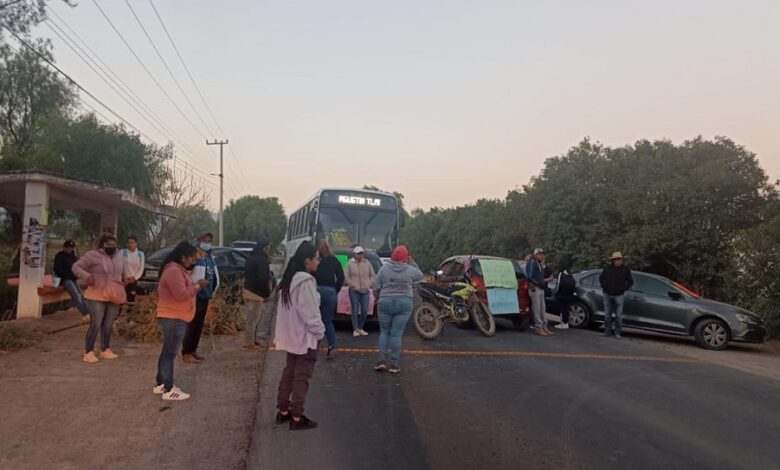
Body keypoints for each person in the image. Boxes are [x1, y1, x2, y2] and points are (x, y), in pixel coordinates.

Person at [273, 241, 325, 431]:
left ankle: (283, 410)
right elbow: (310, 313)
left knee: (289, 372)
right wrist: (320, 332)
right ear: (307, 261)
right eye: (317, 259)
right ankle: (297, 416)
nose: (318, 262)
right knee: (301, 376)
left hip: (291, 335)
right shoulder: (306, 282)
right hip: (305, 337)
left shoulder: (289, 280)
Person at [154, 242, 209, 401]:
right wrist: (198, 286)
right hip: (173, 317)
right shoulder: (173, 271)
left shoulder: (177, 270)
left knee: (166, 352)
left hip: (175, 315)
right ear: (182, 257)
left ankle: (160, 384)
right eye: (191, 259)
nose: (193, 262)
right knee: (170, 354)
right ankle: (169, 389)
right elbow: (181, 295)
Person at [72, 233, 127, 363]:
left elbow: (122, 271)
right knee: (96, 324)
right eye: (108, 245)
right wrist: (87, 277)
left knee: (108, 325)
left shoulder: (119, 257)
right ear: (102, 244)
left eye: (114, 245)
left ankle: (105, 349)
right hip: (96, 295)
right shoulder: (93, 255)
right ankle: (88, 352)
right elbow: (76, 267)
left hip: (113, 295)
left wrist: (126, 279)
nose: (111, 247)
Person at [372, 245, 423, 373]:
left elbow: (376, 287)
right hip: (404, 303)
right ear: (406, 258)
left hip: (385, 302)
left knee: (384, 332)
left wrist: (378, 298)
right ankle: (394, 364)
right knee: (396, 334)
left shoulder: (384, 268)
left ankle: (381, 361)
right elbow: (420, 275)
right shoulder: (410, 269)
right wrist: (411, 260)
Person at [182, 231, 220, 363]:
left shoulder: (208, 256)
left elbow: (213, 274)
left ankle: (193, 350)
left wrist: (213, 290)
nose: (207, 243)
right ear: (199, 241)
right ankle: (186, 352)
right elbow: (188, 275)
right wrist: (194, 286)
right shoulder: (194, 256)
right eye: (205, 240)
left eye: (209, 240)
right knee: (192, 325)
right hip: (195, 295)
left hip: (206, 295)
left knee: (198, 325)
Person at [313, 239, 344, 359]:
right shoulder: (334, 260)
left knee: (314, 319)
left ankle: (313, 347)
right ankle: (332, 346)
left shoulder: (315, 260)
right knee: (328, 321)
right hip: (330, 292)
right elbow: (341, 277)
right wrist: (335, 290)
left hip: (316, 291)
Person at [242, 237, 272, 351]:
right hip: (256, 292)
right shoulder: (262, 260)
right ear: (265, 247)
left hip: (248, 289)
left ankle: (252, 340)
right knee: (253, 318)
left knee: (253, 317)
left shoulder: (251, 257)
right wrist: (266, 293)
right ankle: (249, 343)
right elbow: (263, 278)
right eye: (269, 247)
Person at [599, 251, 634, 339]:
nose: (619, 261)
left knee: (618, 315)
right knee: (607, 314)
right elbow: (601, 278)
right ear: (613, 260)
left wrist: (623, 288)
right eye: (617, 260)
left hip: (619, 295)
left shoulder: (625, 269)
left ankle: (617, 332)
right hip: (607, 294)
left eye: (620, 259)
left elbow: (630, 282)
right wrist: (604, 286)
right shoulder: (607, 268)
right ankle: (607, 331)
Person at [53, 240, 90, 317]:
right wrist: (67, 275)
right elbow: (57, 269)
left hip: (73, 278)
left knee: (80, 294)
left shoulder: (73, 257)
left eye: (71, 248)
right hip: (64, 279)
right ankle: (85, 312)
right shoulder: (59, 256)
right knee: (76, 294)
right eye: (68, 247)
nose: (69, 249)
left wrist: (76, 275)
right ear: (64, 247)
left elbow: (76, 268)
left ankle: (88, 310)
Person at [345, 246, 375, 337]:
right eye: (358, 253)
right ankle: (355, 329)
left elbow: (372, 275)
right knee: (354, 310)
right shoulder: (350, 263)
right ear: (354, 254)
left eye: (361, 253)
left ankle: (360, 327)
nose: (360, 255)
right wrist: (352, 284)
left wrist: (369, 284)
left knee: (365, 310)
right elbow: (346, 276)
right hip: (354, 290)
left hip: (365, 290)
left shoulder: (367, 263)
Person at [526, 248, 554, 337]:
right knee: (537, 309)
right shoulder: (532, 263)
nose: (542, 256)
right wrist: (535, 284)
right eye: (540, 254)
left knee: (542, 309)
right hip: (535, 288)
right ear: (536, 255)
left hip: (541, 289)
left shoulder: (539, 264)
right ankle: (538, 328)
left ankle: (544, 326)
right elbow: (529, 276)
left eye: (542, 254)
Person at [122, 236, 145, 303]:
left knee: (131, 297)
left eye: (132, 243)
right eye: (128, 243)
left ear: (136, 243)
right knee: (121, 298)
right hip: (124, 279)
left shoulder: (140, 254)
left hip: (133, 280)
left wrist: (134, 278)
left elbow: (141, 268)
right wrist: (125, 277)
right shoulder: (123, 252)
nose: (130, 245)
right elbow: (121, 266)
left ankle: (130, 312)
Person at [554, 266, 577, 330]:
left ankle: (563, 323)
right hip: (569, 295)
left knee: (562, 309)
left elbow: (559, 284)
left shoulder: (561, 274)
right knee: (566, 309)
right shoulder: (570, 276)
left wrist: (556, 293)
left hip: (561, 295)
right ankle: (566, 323)